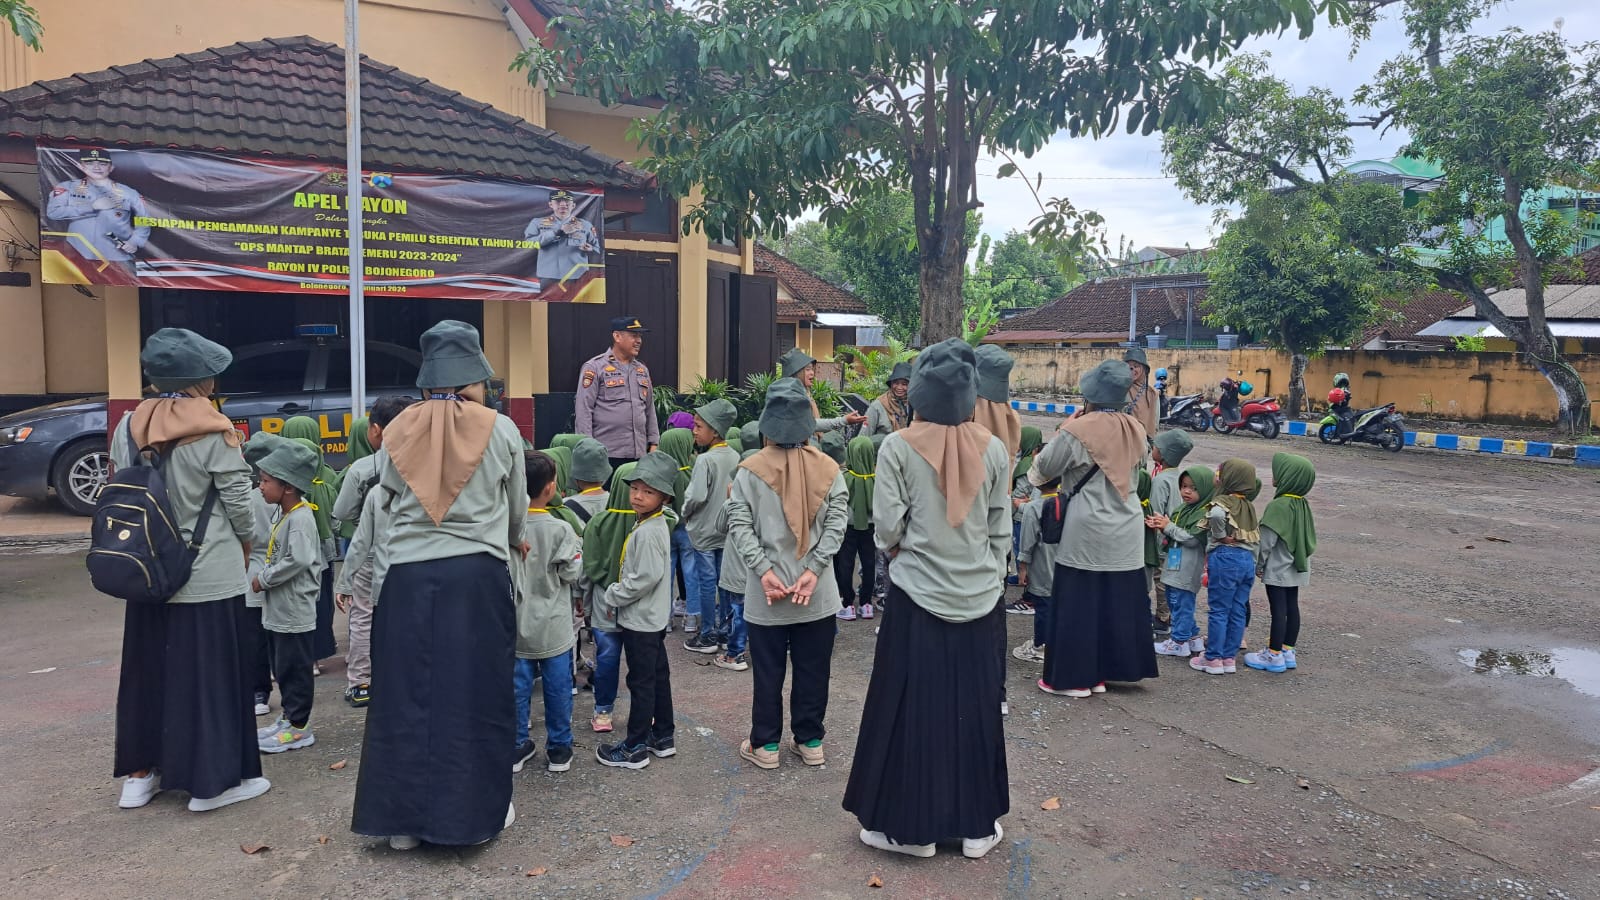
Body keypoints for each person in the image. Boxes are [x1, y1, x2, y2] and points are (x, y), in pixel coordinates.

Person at [351, 320, 527, 850]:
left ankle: (402, 824)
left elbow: (385, 503)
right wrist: (510, 537)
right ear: (476, 372)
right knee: (474, 693)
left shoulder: (399, 428)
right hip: (475, 578)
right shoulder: (500, 429)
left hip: (404, 580)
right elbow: (516, 511)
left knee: (405, 698)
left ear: (427, 376)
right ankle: (472, 816)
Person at [843, 338, 1011, 860]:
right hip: (981, 597)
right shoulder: (994, 447)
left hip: (918, 596)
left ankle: (910, 832)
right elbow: (1001, 529)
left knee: (912, 706)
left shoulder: (898, 446)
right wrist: (990, 574)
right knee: (975, 708)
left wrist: (901, 548)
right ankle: (976, 830)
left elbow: (887, 526)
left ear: (917, 392)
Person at [110, 328, 268, 813]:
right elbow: (240, 503)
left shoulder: (129, 425)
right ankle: (210, 785)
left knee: (147, 672)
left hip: (146, 572)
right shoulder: (214, 428)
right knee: (208, 677)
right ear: (201, 380)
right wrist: (255, 543)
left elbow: (121, 487)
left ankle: (139, 778)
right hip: (206, 573)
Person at [727, 379, 849, 770]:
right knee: (814, 670)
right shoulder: (829, 469)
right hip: (817, 594)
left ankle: (765, 746)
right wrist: (813, 570)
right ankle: (810, 741)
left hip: (769, 595)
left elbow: (739, 524)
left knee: (767, 673)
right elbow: (837, 525)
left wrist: (763, 571)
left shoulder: (749, 470)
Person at [1032, 359, 1157, 698]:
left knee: (1079, 602)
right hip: (1127, 524)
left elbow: (1044, 468)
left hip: (1086, 526)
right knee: (1114, 601)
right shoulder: (1136, 429)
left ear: (1090, 394)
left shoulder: (1079, 430)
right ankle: (1106, 672)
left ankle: (1073, 679)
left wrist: (1062, 431)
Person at [595, 452, 680, 769]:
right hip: (652, 617)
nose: (638, 496)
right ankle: (663, 735)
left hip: (641, 620)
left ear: (664, 496)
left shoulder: (647, 531)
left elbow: (643, 578)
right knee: (658, 676)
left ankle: (635, 746)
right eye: (635, 489)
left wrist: (613, 595)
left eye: (648, 491)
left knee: (641, 682)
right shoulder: (655, 523)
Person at [332, 396, 412, 708]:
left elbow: (342, 513)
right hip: (413, 554)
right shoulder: (427, 469)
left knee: (363, 617)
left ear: (376, 430)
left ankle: (361, 682)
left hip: (370, 554)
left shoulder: (362, 470)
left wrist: (344, 580)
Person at [513, 452, 585, 774]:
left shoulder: (507, 528)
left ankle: (516, 746)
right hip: (554, 626)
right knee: (558, 688)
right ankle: (559, 749)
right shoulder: (560, 529)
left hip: (515, 625)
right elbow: (571, 574)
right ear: (551, 488)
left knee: (516, 689)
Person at [251, 440, 326, 754]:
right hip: (280, 610)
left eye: (267, 481)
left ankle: (299, 727)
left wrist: (264, 579)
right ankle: (288, 719)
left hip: (294, 610)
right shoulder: (283, 514)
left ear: (289, 488)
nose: (261, 486)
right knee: (282, 668)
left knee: (295, 670)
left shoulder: (299, 519)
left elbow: (297, 560)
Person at [579, 463, 640, 734]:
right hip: (640, 605)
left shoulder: (599, 522)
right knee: (642, 663)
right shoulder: (654, 522)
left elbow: (588, 568)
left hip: (606, 604)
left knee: (607, 658)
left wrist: (583, 597)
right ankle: (644, 712)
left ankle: (603, 712)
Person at [278, 417, 340, 669]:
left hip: (288, 549)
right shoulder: (325, 474)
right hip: (322, 550)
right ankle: (317, 653)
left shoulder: (278, 475)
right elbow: (337, 516)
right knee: (320, 597)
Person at [1245, 453, 1316, 674]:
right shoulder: (1301, 503)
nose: (1274, 477)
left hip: (1278, 567)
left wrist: (1257, 564)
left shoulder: (1279, 505)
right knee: (1292, 607)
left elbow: (1266, 541)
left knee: (1278, 610)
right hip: (1297, 565)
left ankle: (1273, 654)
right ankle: (1287, 650)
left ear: (1288, 476)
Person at [680, 399, 741, 654]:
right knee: (725, 582)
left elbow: (696, 496)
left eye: (698, 426)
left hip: (704, 531)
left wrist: (685, 513)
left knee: (707, 582)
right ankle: (727, 633)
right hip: (726, 531)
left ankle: (707, 635)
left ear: (714, 431)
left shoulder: (705, 460)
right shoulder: (736, 455)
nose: (694, 431)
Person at [1189, 459, 1260, 676]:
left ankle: (1213, 658)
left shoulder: (1222, 502)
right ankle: (1229, 657)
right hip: (1246, 559)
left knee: (1219, 609)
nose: (1216, 476)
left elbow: (1218, 516)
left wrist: (1220, 535)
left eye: (1220, 473)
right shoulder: (1247, 505)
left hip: (1226, 556)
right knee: (1237, 609)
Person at [1149, 466, 1216, 659]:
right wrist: (1161, 525)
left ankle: (1178, 641)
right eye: (1184, 486)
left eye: (1193, 488)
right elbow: (1174, 530)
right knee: (1174, 599)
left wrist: (1168, 527)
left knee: (1181, 602)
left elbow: (1191, 538)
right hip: (1176, 564)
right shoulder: (1185, 509)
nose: (1186, 491)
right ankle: (1192, 636)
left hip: (1187, 567)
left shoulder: (1203, 513)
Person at [576, 317, 660, 468]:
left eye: (640, 336)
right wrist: (588, 450)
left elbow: (649, 409)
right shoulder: (595, 367)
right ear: (617, 336)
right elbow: (584, 410)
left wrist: (654, 443)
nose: (639, 340)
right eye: (633, 335)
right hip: (605, 454)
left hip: (638, 453)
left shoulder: (642, 370)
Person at [46, 147, 150, 265]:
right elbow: (53, 213)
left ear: (111, 168)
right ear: (81, 166)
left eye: (102, 163)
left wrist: (135, 241)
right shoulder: (67, 187)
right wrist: (91, 207)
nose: (96, 167)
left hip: (117, 258)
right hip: (78, 255)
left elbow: (144, 220)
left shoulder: (129, 192)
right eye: (89, 163)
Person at [1146, 430, 1195, 635]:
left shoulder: (1160, 481)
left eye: (1156, 447)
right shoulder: (1180, 478)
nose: (1153, 449)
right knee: (1171, 577)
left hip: (1162, 541)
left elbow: (1155, 512)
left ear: (1164, 454)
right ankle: (1171, 616)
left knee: (1161, 578)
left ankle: (1162, 618)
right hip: (1176, 541)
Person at [1010, 474, 1062, 664]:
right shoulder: (1066, 502)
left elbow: (1027, 542)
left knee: (1042, 606)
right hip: (1062, 564)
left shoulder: (1034, 508)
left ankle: (1040, 646)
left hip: (1042, 563)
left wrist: (1022, 568)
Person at [656, 428, 699, 633]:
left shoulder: (663, 476)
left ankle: (666, 620)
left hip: (666, 531)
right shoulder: (692, 472)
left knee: (666, 574)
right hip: (688, 529)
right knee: (691, 573)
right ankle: (691, 619)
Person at [834, 435, 878, 621]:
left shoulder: (843, 478)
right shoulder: (878, 478)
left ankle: (848, 604)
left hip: (848, 528)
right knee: (869, 564)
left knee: (845, 564)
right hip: (871, 526)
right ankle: (867, 604)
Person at [778, 347, 867, 435]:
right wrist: (843, 420)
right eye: (807, 370)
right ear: (796, 373)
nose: (812, 373)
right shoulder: (790, 397)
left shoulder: (804, 393)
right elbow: (811, 424)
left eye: (812, 369)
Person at [527, 189, 603, 284]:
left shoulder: (586, 225)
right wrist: (557, 233)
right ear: (550, 204)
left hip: (577, 275)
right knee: (548, 299)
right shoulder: (537, 222)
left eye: (567, 202)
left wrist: (591, 249)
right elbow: (529, 244)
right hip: (549, 276)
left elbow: (598, 250)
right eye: (558, 201)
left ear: (573, 205)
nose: (563, 205)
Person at [864, 361, 912, 437]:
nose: (899, 387)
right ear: (891, 384)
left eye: (904, 384)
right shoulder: (877, 406)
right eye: (896, 383)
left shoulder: (915, 405)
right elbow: (864, 437)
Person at [1123, 347, 1158, 438]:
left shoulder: (1152, 394)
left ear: (1144, 370)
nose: (1131, 369)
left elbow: (1155, 423)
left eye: (1136, 366)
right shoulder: (1120, 388)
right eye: (1128, 365)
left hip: (1143, 442)